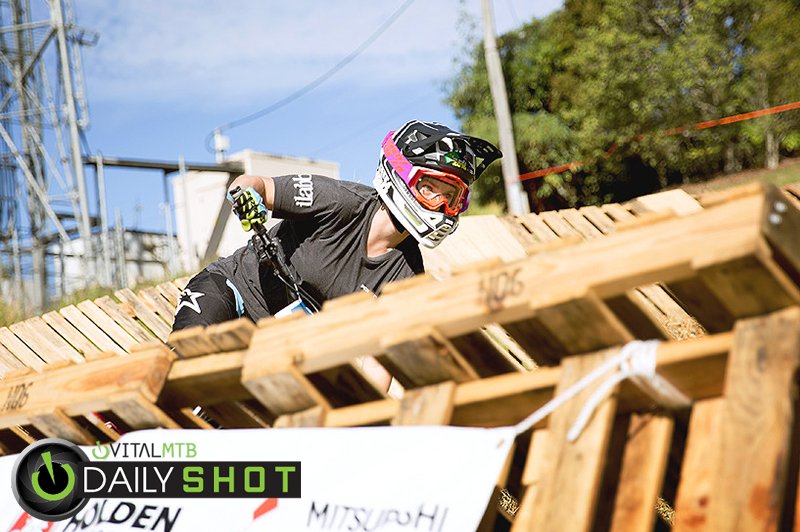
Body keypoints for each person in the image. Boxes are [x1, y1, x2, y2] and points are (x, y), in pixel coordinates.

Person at [171, 120, 501, 332]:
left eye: (451, 197)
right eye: (431, 188)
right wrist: (246, 195)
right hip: (231, 292)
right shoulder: (338, 200)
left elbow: (376, 364)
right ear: (399, 173)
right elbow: (255, 182)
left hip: (286, 344)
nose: (442, 207)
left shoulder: (408, 276)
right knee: (182, 372)